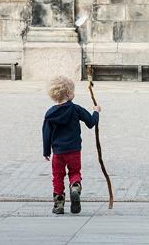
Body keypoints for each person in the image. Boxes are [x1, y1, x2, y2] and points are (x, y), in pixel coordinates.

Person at [42, 76, 101, 215]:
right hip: (74, 150)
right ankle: (75, 186)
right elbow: (91, 122)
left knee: (57, 176)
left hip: (57, 152)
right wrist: (96, 111)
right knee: (74, 173)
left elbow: (46, 134)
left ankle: (58, 204)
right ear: (68, 94)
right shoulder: (76, 109)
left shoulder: (50, 114)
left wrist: (46, 151)